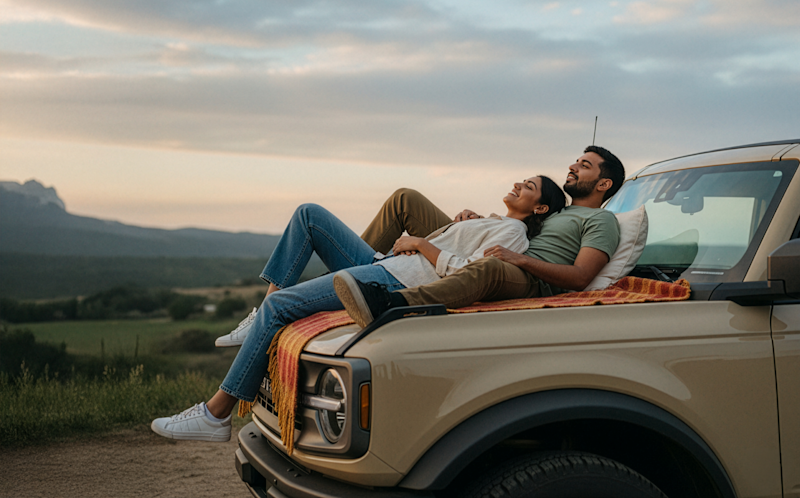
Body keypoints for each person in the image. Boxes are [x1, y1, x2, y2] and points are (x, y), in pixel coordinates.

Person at [151, 175, 566, 441]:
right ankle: (261, 315)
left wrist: (422, 242)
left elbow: (462, 274)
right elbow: (456, 248)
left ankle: (216, 414)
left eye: (528, 186)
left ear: (540, 208)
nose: (518, 183)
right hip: (386, 265)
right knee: (308, 215)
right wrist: (456, 225)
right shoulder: (492, 220)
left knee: (282, 307)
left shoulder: (513, 234)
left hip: (393, 280)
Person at [335, 145, 624, 327]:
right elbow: (516, 225)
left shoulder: (602, 220)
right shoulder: (554, 210)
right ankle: (357, 272)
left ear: (604, 183)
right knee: (406, 199)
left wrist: (520, 261)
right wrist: (475, 222)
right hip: (502, 248)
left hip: (529, 278)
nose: (573, 167)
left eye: (584, 166)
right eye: (576, 161)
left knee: (489, 267)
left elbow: (580, 277)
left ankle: (391, 303)